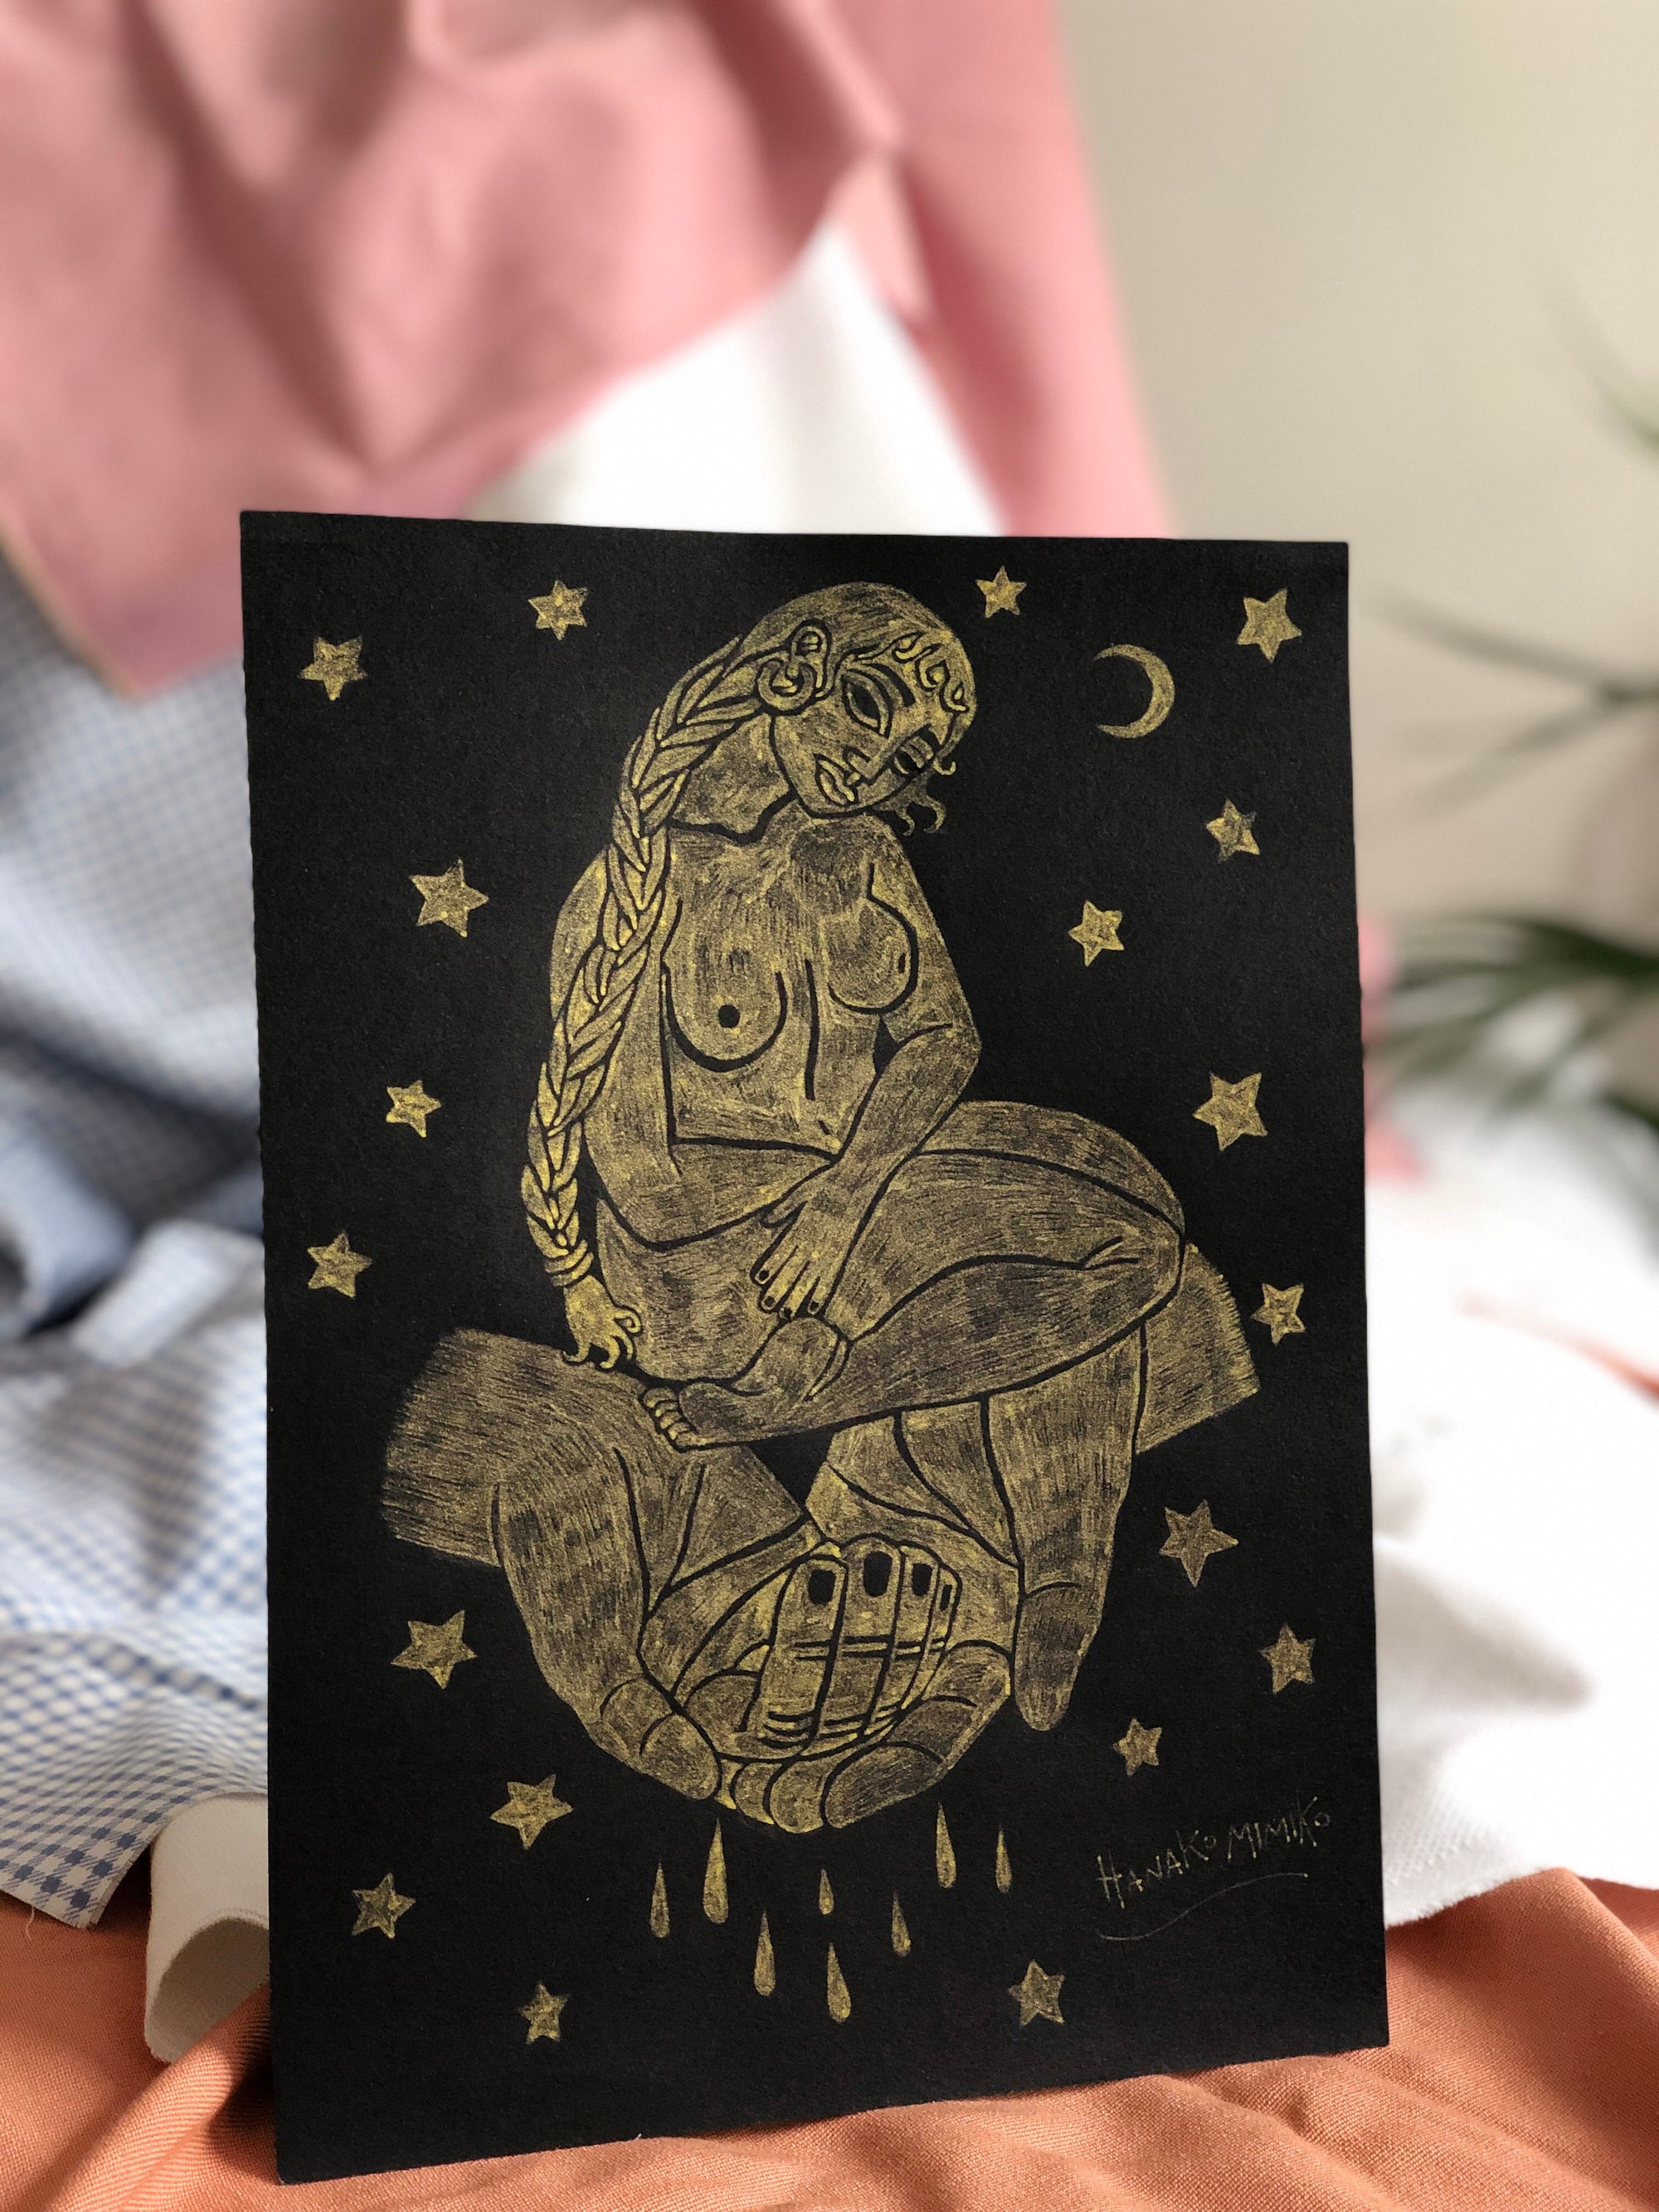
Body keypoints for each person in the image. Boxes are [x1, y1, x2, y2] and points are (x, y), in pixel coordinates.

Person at [391, 582, 1255, 1832]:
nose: (874, 763)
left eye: (910, 758)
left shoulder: (862, 857)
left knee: (1129, 1226)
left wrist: (849, 1205)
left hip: (841, 1241)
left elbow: (945, 1042)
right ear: (791, 670)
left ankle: (812, 1409)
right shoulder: (634, 889)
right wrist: (776, 1236)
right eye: (866, 708)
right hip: (705, 1282)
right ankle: (813, 1401)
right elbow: (630, 1166)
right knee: (1113, 1247)